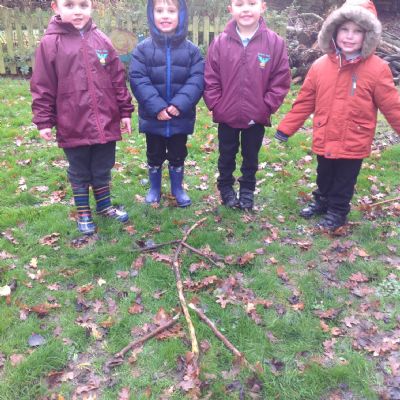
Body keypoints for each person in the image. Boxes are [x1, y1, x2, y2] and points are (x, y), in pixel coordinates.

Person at [275, 0, 400, 231]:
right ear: (334, 31)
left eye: (357, 31)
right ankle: (322, 200)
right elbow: (305, 101)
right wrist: (286, 127)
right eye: (344, 29)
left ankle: (338, 211)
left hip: (354, 138)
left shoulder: (377, 68)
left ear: (368, 35)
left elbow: (393, 106)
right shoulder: (320, 66)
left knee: (343, 180)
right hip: (325, 134)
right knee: (324, 174)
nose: (349, 36)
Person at [30, 0, 134, 235]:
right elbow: (43, 84)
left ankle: (104, 206)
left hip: (105, 121)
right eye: (69, 5)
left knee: (102, 166)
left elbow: (118, 79)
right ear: (56, 7)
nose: (77, 11)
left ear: (91, 6)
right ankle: (83, 212)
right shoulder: (50, 43)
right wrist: (44, 120)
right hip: (72, 122)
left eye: (83, 5)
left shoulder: (102, 40)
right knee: (79, 170)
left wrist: (125, 111)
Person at [204, 0, 291, 211]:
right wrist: (217, 105)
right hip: (227, 114)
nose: (245, 9)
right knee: (226, 154)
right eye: (239, 4)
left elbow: (280, 79)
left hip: (256, 115)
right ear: (230, 9)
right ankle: (226, 187)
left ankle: (247, 190)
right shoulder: (220, 42)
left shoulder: (274, 42)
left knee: (251, 156)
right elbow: (210, 76)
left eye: (252, 3)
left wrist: (266, 107)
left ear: (263, 7)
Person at [129, 0, 204, 207]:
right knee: (154, 153)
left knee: (178, 154)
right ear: (151, 14)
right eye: (159, 10)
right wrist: (158, 107)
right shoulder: (142, 50)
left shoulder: (192, 51)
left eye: (171, 11)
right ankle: (154, 188)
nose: (165, 15)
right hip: (153, 117)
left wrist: (179, 105)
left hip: (180, 117)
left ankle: (177, 188)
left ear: (181, 15)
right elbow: (138, 79)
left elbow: (197, 80)